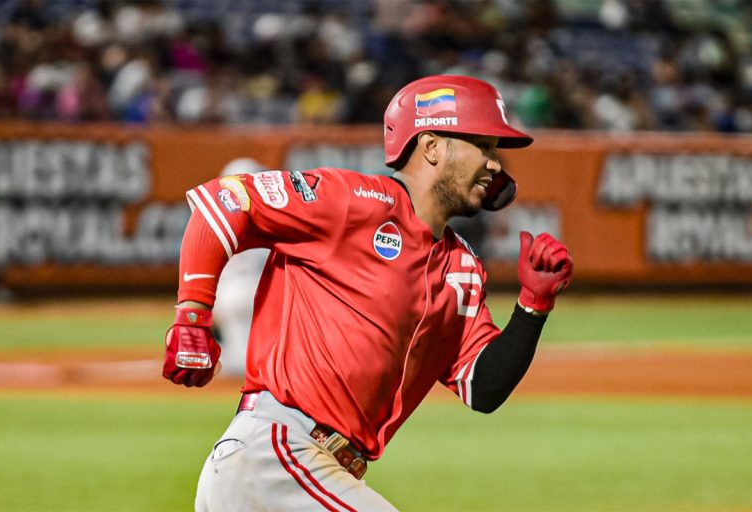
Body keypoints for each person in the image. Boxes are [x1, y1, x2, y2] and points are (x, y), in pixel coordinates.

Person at [163, 74, 574, 511]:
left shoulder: (461, 267)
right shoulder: (354, 201)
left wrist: (533, 306)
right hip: (275, 457)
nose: (495, 164)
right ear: (432, 146)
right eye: (482, 144)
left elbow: (484, 386)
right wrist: (192, 314)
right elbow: (224, 204)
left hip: (310, 471)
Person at [210, 158, 270, 377]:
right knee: (250, 362)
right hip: (259, 293)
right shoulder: (269, 217)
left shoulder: (219, 218)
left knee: (242, 361)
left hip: (228, 295)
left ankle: (209, 357)